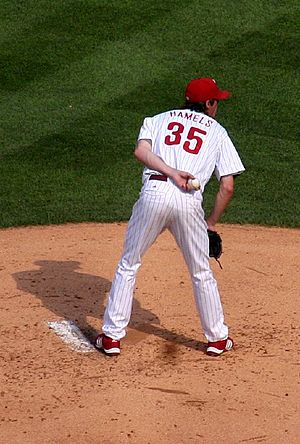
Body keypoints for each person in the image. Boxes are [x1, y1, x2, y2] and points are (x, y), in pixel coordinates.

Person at [95, 77, 245, 357]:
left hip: (153, 194)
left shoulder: (157, 119)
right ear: (209, 104)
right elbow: (228, 185)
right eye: (217, 102)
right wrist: (210, 223)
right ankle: (217, 338)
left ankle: (112, 338)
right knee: (201, 271)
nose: (217, 107)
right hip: (189, 202)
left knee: (129, 263)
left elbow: (141, 151)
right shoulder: (218, 131)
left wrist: (170, 172)